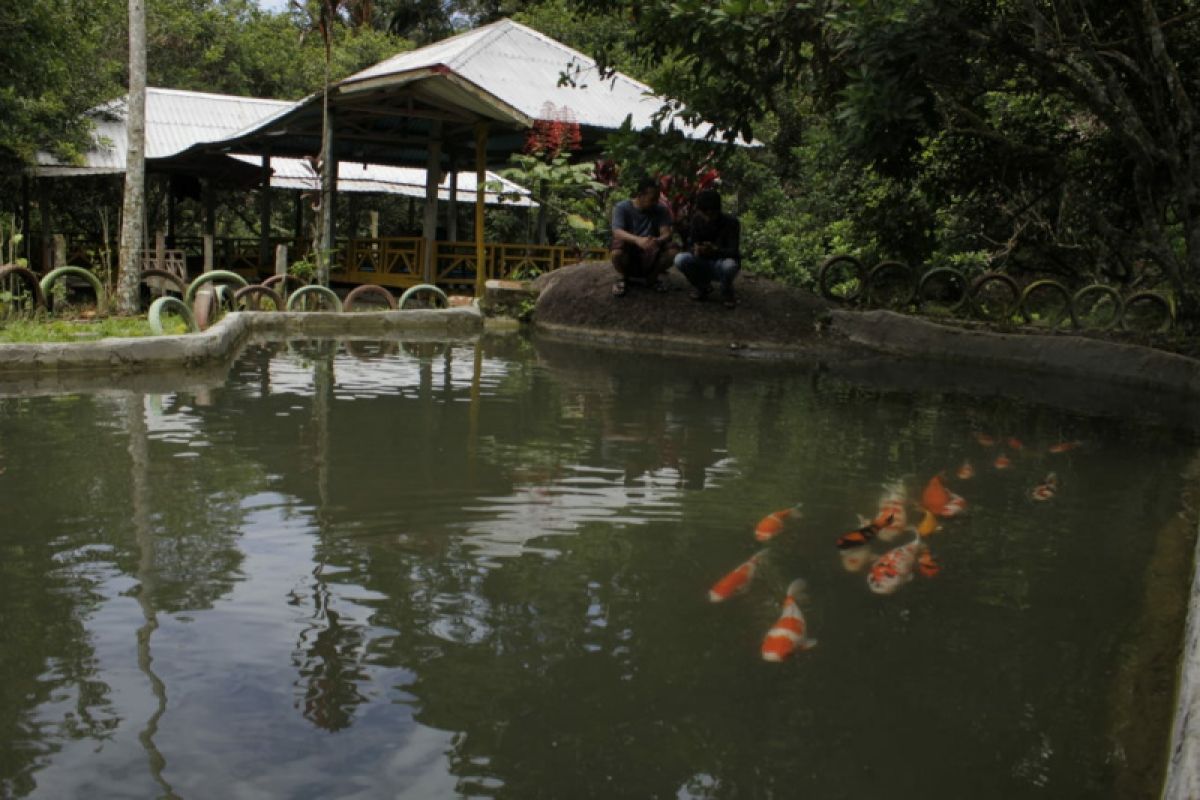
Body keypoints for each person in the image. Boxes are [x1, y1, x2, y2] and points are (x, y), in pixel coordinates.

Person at [610, 177, 678, 297]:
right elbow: (617, 232)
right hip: (630, 251)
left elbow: (666, 233)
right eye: (652, 199)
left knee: (673, 250)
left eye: (657, 198)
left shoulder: (661, 210)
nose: (656, 202)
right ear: (640, 195)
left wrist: (657, 240)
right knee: (616, 251)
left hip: (652, 250)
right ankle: (623, 277)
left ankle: (652, 279)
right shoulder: (622, 207)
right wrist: (638, 240)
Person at [674, 189, 741, 308]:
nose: (708, 218)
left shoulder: (731, 223)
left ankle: (727, 291)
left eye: (711, 214)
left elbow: (734, 251)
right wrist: (696, 249)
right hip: (703, 260)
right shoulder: (697, 220)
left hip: (721, 262)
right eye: (705, 214)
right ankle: (702, 287)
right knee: (680, 259)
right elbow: (691, 243)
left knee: (729, 266)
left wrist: (715, 250)